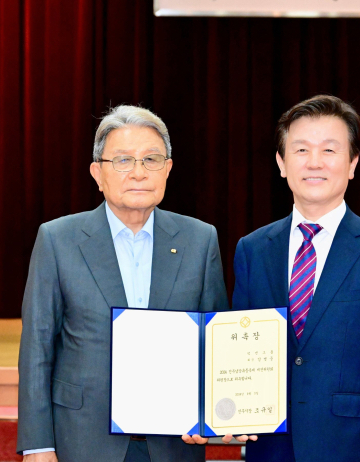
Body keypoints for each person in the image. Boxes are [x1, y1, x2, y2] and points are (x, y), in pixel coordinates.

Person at [17, 105, 229, 462]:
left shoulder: (200, 239)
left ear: (168, 170)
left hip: (173, 441)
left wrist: (212, 415)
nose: (138, 173)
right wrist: (39, 444)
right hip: (83, 438)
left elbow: (215, 344)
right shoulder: (58, 239)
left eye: (151, 159)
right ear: (97, 173)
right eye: (123, 161)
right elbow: (37, 348)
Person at [231, 95, 360, 461]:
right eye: (301, 149)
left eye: (330, 150)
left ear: (352, 163)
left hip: (352, 448)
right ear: (281, 163)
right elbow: (238, 351)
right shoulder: (253, 250)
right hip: (272, 450)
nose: (314, 162)